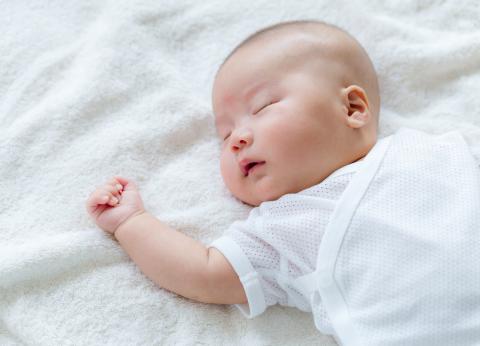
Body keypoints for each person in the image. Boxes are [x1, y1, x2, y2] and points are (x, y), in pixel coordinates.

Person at [86, 20, 480, 345]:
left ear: (352, 108)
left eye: (262, 107)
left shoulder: (441, 148)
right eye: (225, 136)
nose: (237, 138)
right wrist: (131, 222)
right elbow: (204, 272)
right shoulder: (287, 224)